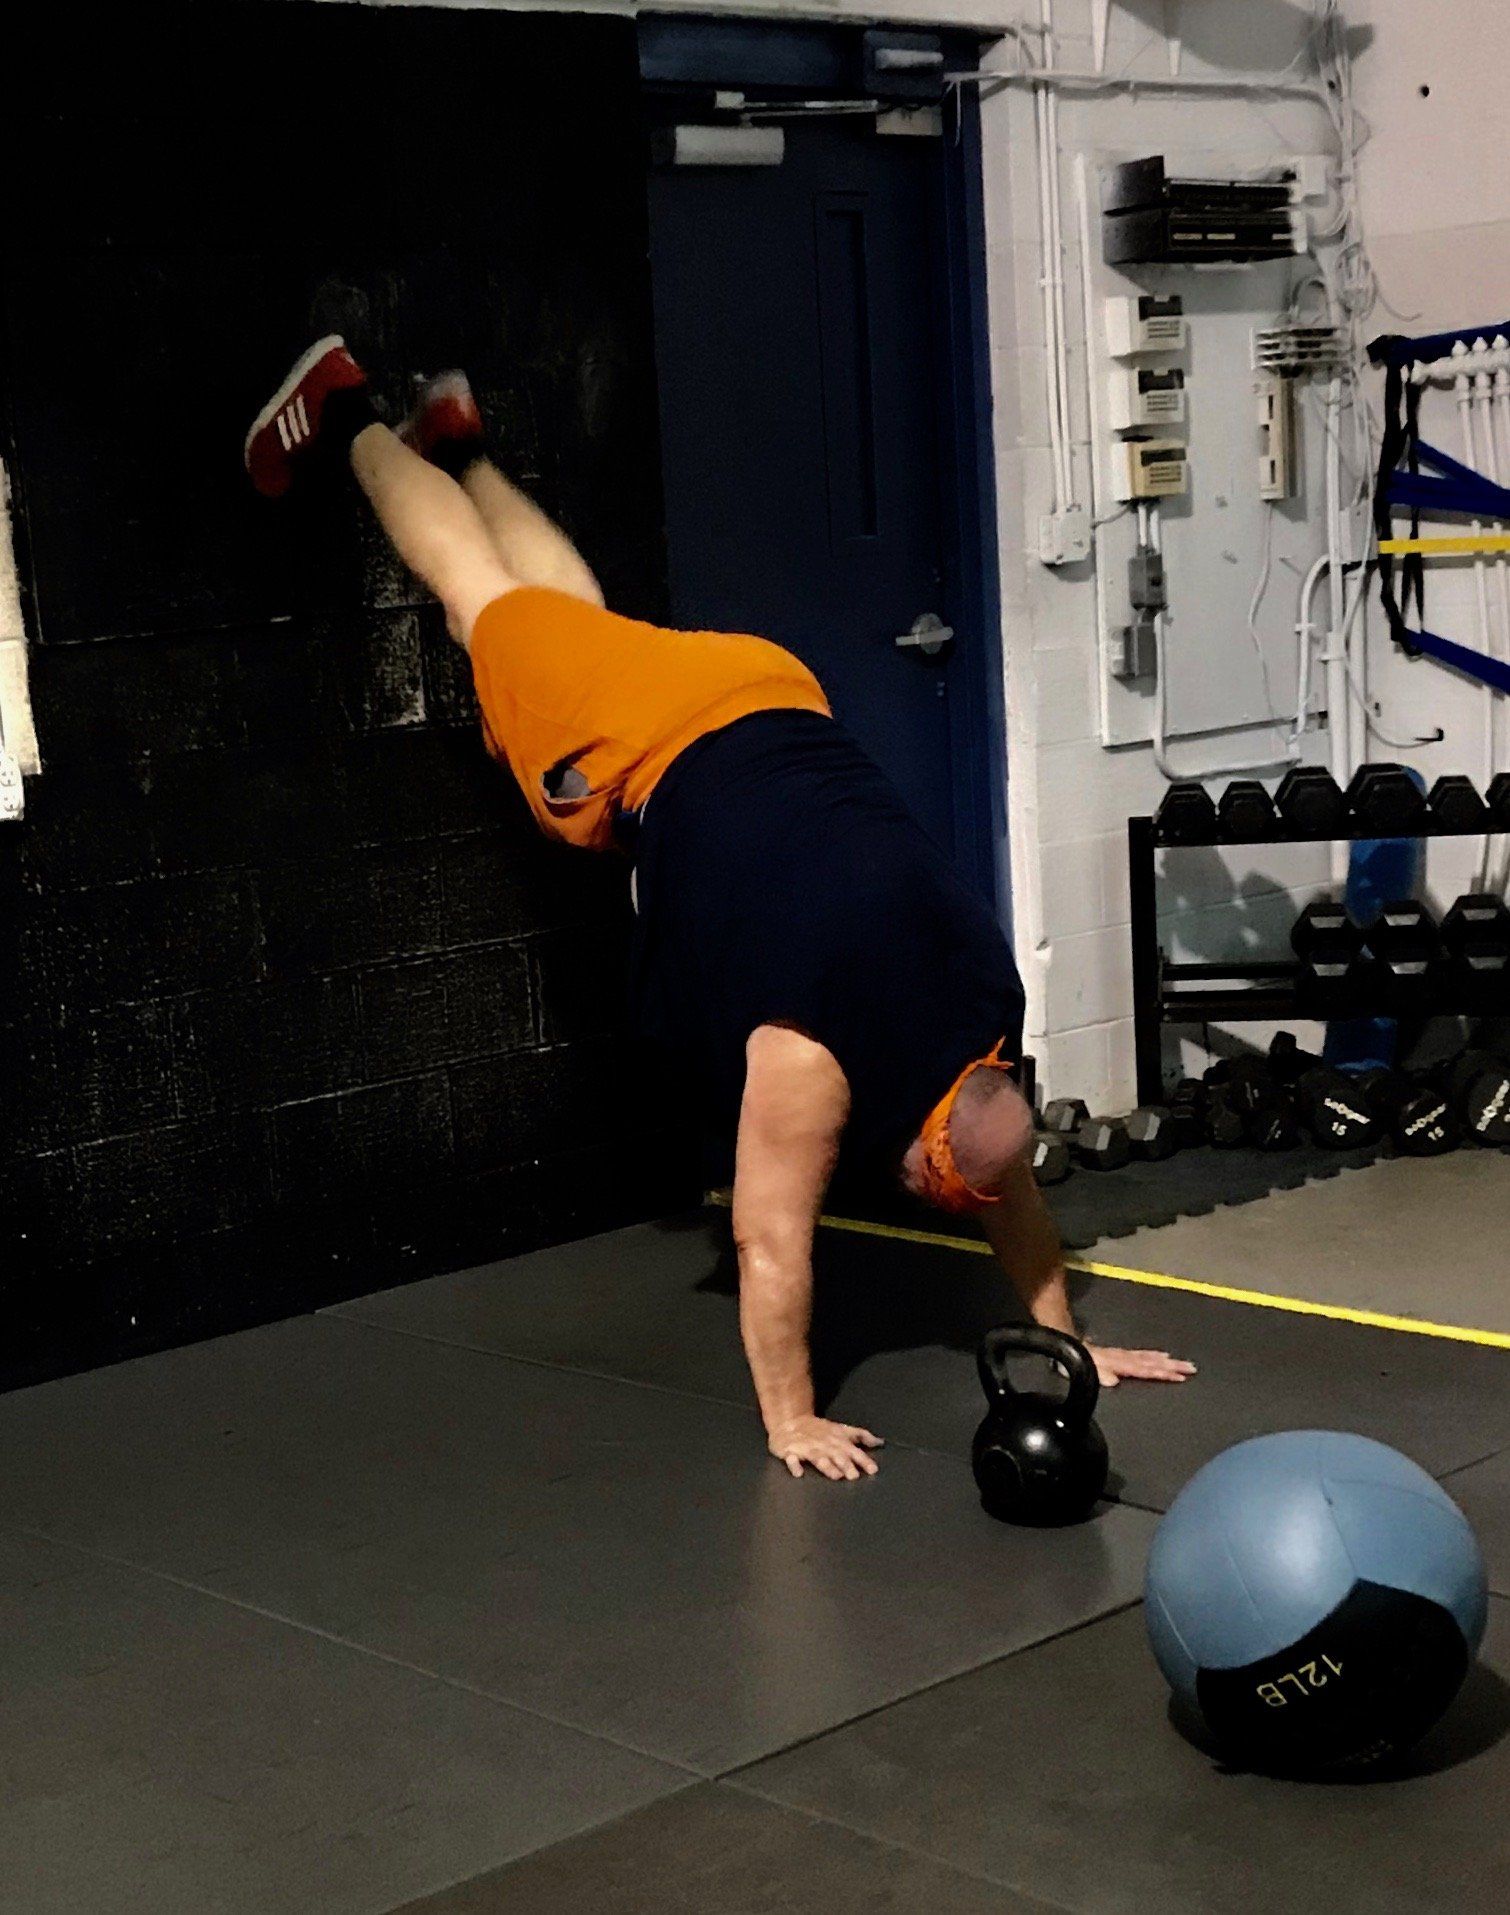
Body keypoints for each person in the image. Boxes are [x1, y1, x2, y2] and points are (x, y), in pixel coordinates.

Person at [245, 338, 1195, 1482]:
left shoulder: (984, 1001)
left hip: (768, 688)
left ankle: (465, 451)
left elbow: (1011, 1192)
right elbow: (766, 1238)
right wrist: (789, 1418)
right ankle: (346, 413)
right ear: (925, 1155)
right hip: (662, 741)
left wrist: (1071, 1340)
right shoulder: (814, 1052)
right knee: (479, 607)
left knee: (569, 626)